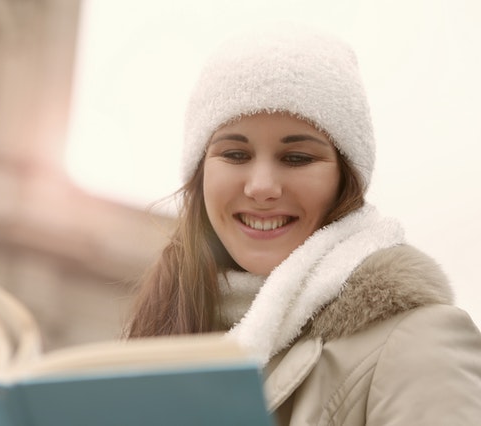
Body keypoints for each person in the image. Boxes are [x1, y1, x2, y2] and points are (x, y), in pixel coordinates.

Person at [126, 25, 481, 424]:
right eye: (235, 154)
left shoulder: (417, 341)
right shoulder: (165, 330)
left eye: (297, 158)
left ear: (344, 179)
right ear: (200, 173)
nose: (261, 187)